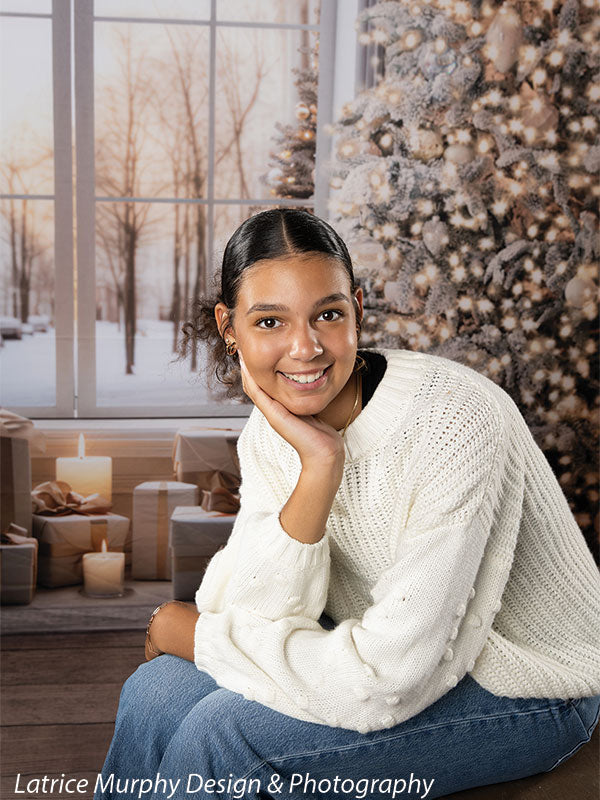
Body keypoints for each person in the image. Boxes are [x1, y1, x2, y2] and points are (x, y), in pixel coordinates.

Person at [95, 209, 600, 800]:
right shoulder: (272, 432)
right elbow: (256, 611)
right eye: (269, 321)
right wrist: (319, 467)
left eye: (327, 315)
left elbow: (388, 678)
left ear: (357, 308)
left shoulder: (457, 419)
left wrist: (197, 635)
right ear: (228, 327)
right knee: (156, 693)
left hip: (526, 680)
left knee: (223, 739)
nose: (304, 348)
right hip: (373, 640)